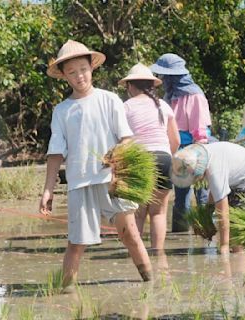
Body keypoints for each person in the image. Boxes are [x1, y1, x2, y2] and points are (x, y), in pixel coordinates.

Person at [39, 40, 152, 291]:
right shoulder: (62, 110)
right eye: (72, 72)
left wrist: (116, 159)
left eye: (83, 69)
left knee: (131, 235)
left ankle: (151, 284)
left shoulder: (109, 100)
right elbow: (55, 153)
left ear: (92, 68)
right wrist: (48, 189)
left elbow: (126, 139)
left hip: (112, 181)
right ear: (64, 76)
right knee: (76, 243)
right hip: (79, 182)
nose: (79, 76)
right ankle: (63, 294)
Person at [119, 62, 180, 250]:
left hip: (140, 161)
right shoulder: (163, 106)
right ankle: (158, 255)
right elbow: (175, 140)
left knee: (138, 213)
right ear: (152, 85)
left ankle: (138, 256)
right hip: (164, 158)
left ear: (129, 85)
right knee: (159, 212)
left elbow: (122, 141)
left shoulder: (126, 107)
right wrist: (167, 158)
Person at [170, 142, 245, 255]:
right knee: (233, 228)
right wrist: (207, 212)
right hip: (240, 177)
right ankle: (238, 253)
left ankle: (238, 259)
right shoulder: (201, 156)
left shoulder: (214, 171)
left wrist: (224, 246)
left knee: (236, 228)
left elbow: (223, 211)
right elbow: (215, 192)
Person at [150, 53, 213, 232]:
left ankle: (206, 231)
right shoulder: (170, 96)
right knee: (181, 194)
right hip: (178, 149)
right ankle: (180, 233)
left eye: (165, 76)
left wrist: (200, 153)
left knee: (202, 194)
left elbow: (200, 127)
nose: (162, 79)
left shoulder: (195, 95)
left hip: (197, 148)